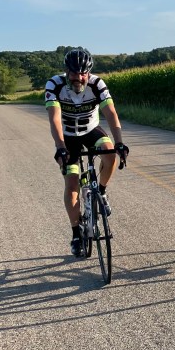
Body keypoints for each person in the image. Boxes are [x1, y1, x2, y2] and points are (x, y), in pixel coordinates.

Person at [45, 46, 128, 257]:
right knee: (72, 182)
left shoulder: (97, 84)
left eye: (84, 73)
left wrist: (119, 142)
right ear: (67, 71)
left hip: (91, 130)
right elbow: (54, 118)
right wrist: (60, 147)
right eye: (75, 73)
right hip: (67, 136)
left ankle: (102, 190)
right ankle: (76, 233)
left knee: (109, 153)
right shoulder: (54, 85)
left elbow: (110, 113)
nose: (79, 78)